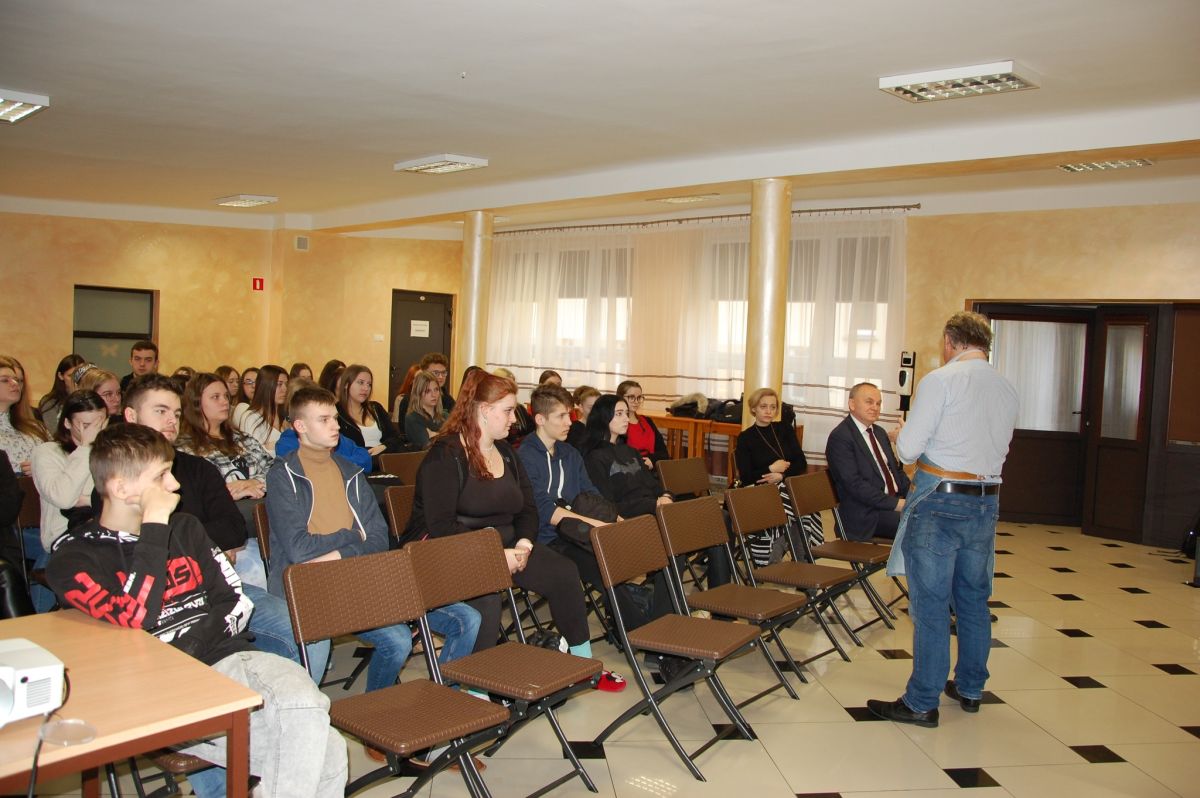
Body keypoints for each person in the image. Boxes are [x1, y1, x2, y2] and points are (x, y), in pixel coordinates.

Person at [47, 423, 347, 797]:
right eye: (161, 476)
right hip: (162, 691)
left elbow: (235, 600)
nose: (174, 485)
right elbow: (135, 616)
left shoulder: (186, 527)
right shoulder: (73, 557)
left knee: (304, 702)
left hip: (231, 660)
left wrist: (191, 646)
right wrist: (154, 528)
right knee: (328, 752)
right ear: (121, 488)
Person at [407, 373, 625, 691]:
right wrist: (496, 555)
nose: (515, 418)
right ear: (484, 410)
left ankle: (582, 664)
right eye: (508, 410)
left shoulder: (507, 452)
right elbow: (440, 525)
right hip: (455, 549)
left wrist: (523, 542)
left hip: (509, 545)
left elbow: (528, 509)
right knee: (487, 600)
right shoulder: (446, 455)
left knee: (564, 573)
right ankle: (476, 690)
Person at [266, 387, 480, 698]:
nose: (335, 426)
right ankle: (369, 712)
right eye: (324, 420)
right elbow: (299, 548)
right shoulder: (283, 475)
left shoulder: (350, 472)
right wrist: (353, 535)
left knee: (462, 619)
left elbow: (379, 539)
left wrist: (341, 552)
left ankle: (415, 703)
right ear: (300, 426)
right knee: (398, 640)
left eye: (335, 418)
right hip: (307, 586)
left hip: (357, 577)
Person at [117, 375, 328, 681]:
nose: (171, 421)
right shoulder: (117, 481)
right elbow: (130, 552)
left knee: (310, 630)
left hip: (218, 588)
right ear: (131, 416)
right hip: (160, 603)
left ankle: (284, 705)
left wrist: (196, 544)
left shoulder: (198, 468)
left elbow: (233, 529)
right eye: (160, 411)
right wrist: (205, 547)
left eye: (176, 413)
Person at [867, 311, 1018, 729]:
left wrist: (902, 434)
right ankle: (970, 687)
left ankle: (921, 701)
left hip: (941, 500)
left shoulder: (940, 380)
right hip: (986, 500)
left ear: (950, 341)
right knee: (973, 598)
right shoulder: (1006, 386)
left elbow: (909, 451)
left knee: (931, 603)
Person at [735, 387, 813, 564]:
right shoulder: (746, 438)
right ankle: (779, 561)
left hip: (784, 488)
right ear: (753, 408)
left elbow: (801, 463)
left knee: (802, 506)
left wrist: (781, 475)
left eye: (772, 407)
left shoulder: (784, 429)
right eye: (763, 406)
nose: (768, 411)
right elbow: (746, 477)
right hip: (758, 492)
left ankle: (799, 560)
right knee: (794, 507)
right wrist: (771, 468)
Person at [825, 382, 911, 540]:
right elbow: (854, 485)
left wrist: (913, 496)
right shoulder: (840, 437)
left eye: (878, 403)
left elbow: (896, 472)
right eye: (869, 402)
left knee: (932, 515)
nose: (875, 407)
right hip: (866, 514)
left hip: (891, 504)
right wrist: (897, 504)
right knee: (920, 524)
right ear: (852, 404)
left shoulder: (879, 432)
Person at [177, 373, 273, 504]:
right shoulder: (185, 449)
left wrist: (253, 482)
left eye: (226, 396)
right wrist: (227, 492)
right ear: (196, 403)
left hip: (262, 506)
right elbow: (194, 494)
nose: (225, 402)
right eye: (215, 397)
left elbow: (275, 469)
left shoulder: (243, 439)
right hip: (221, 511)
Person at [32, 390, 108, 553]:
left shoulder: (111, 452)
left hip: (107, 531)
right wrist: (86, 448)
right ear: (67, 423)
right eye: (86, 426)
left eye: (100, 425)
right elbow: (64, 498)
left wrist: (87, 500)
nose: (95, 432)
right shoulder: (47, 452)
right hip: (65, 536)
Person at [335, 364, 404, 459]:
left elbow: (396, 438)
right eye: (360, 382)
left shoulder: (376, 408)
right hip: (357, 464)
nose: (366, 388)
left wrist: (384, 446)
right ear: (346, 385)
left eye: (369, 384)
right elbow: (341, 448)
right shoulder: (336, 413)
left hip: (385, 459)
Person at [1, 355, 51, 476]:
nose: (15, 384)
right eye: (5, 380)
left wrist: (44, 466)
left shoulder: (36, 427)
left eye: (16, 380)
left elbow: (60, 458)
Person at [232, 364, 288, 455]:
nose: (285, 389)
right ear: (265, 386)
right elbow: (253, 455)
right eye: (279, 384)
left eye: (286, 384)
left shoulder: (286, 416)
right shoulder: (251, 418)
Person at [616, 380, 667, 465]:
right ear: (620, 398)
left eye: (639, 397)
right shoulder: (617, 424)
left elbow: (664, 453)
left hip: (652, 466)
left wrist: (651, 460)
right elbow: (619, 455)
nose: (636, 401)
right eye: (631, 397)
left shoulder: (647, 421)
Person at [35, 353, 86, 432]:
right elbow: (54, 432)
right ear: (61, 376)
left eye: (80, 376)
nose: (75, 380)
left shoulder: (90, 398)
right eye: (70, 376)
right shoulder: (50, 402)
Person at [404, 369, 447, 449]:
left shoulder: (444, 416)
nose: (434, 395)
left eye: (436, 389)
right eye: (428, 391)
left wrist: (434, 435)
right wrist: (445, 436)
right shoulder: (413, 418)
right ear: (418, 393)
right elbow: (427, 446)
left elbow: (457, 441)